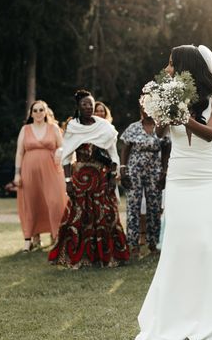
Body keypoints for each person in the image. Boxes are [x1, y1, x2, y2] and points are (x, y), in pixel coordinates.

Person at [135, 44, 212, 340]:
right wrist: (158, 113)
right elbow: (159, 134)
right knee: (177, 242)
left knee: (206, 241)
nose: (168, 68)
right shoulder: (170, 95)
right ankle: (174, 316)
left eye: (173, 64)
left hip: (208, 175)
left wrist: (179, 113)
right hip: (179, 175)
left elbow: (211, 132)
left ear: (188, 67)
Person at [48, 90, 129, 268]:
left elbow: (113, 155)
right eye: (84, 104)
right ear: (78, 106)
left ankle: (106, 258)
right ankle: (80, 258)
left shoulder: (104, 127)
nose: (88, 107)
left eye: (91, 104)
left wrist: (111, 178)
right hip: (80, 179)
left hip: (101, 178)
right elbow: (67, 158)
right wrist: (68, 182)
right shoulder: (73, 127)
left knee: (104, 216)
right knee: (79, 217)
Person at [14, 100, 68, 252]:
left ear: (46, 112)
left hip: (52, 171)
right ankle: (29, 239)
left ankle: (57, 236)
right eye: (35, 110)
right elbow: (19, 152)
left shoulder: (53, 128)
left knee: (55, 202)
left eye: (41, 110)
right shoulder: (25, 129)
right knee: (32, 203)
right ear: (31, 113)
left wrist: (60, 150)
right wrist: (17, 174)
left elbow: (63, 145)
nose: (38, 113)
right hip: (29, 172)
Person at [120, 104, 170, 257]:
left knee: (154, 206)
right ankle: (133, 244)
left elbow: (167, 148)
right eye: (144, 108)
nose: (147, 111)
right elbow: (125, 149)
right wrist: (123, 170)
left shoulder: (160, 127)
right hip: (134, 168)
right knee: (133, 206)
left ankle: (153, 243)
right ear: (141, 110)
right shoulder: (134, 127)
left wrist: (164, 170)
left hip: (155, 169)